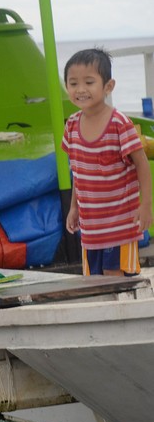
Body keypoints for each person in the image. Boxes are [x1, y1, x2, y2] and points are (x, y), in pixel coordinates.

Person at [62, 48, 153, 276]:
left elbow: (142, 164)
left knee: (117, 278)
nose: (80, 89)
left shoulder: (119, 124)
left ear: (108, 86)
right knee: (93, 281)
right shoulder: (72, 126)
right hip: (91, 230)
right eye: (73, 83)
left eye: (89, 82)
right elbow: (78, 173)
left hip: (120, 225)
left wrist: (146, 205)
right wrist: (74, 207)